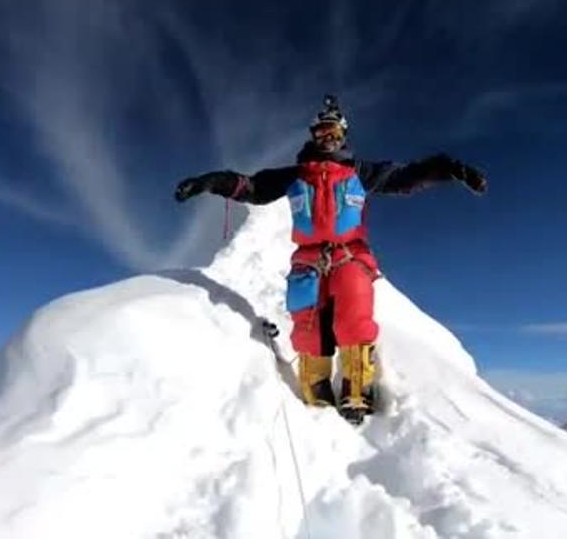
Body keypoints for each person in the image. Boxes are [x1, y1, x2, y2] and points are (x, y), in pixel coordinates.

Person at [174, 95, 487, 424]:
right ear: (313, 136)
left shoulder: (360, 172)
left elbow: (407, 177)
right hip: (307, 260)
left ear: (343, 135)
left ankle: (358, 390)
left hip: (350, 254)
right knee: (307, 323)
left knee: (354, 315)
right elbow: (252, 187)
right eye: (322, 133)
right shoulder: (295, 175)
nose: (328, 139)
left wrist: (449, 168)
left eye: (334, 133)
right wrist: (210, 182)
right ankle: (315, 391)